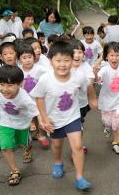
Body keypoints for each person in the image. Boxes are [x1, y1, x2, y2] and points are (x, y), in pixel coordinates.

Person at [30, 41, 92, 191]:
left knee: (77, 146)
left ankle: (79, 177)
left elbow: (88, 86)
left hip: (72, 116)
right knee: (57, 145)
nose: (62, 65)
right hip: (54, 119)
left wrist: (93, 99)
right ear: (51, 61)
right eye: (58, 60)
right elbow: (39, 98)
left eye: (66, 60)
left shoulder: (78, 76)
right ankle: (58, 162)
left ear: (73, 60)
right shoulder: (46, 79)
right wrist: (44, 118)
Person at [0, 65, 39, 186]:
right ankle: (14, 171)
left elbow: (37, 113)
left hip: (22, 124)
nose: (5, 89)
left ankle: (27, 149)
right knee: (5, 146)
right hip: (5, 122)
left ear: (20, 84)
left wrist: (43, 124)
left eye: (10, 85)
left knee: (24, 143)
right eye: (1, 84)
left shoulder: (25, 99)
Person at [93, 42, 119, 154]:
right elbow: (97, 79)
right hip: (106, 102)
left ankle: (115, 142)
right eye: (111, 55)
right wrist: (95, 74)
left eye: (117, 55)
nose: (114, 58)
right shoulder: (105, 69)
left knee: (117, 124)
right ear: (106, 56)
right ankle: (107, 127)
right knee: (107, 122)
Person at [71, 40, 98, 153]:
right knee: (76, 127)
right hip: (67, 105)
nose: (77, 55)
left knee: (78, 125)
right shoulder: (64, 66)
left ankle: (77, 145)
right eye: (73, 52)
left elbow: (90, 79)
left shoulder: (85, 65)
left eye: (80, 52)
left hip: (82, 103)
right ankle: (77, 148)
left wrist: (85, 83)